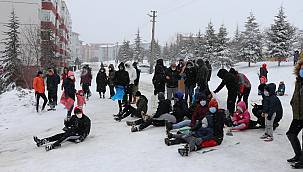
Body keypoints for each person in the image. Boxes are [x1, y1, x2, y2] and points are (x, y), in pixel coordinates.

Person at [286, 60, 303, 169]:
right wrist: (292, 102)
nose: (302, 71)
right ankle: (298, 155)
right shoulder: (299, 81)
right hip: (298, 114)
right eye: (301, 68)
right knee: (291, 134)